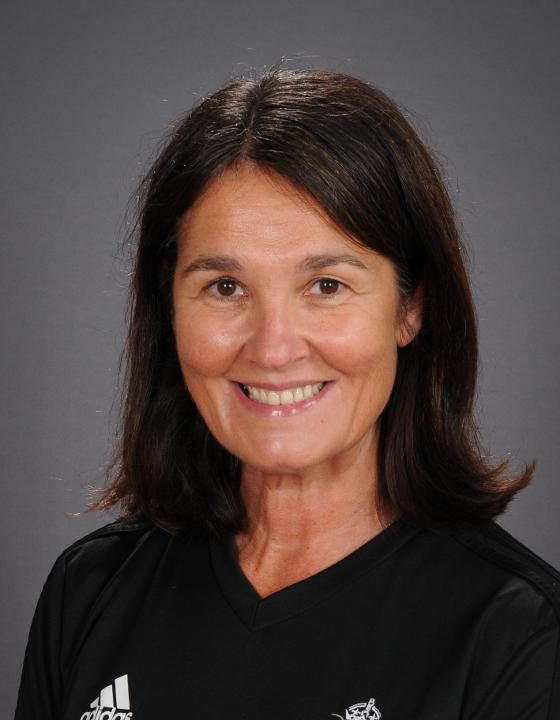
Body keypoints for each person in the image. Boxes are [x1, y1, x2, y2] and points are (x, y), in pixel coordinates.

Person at [15, 66, 560, 720]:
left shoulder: (519, 636)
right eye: (225, 287)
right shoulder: (89, 592)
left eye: (327, 286)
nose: (273, 349)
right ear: (170, 305)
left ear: (411, 306)